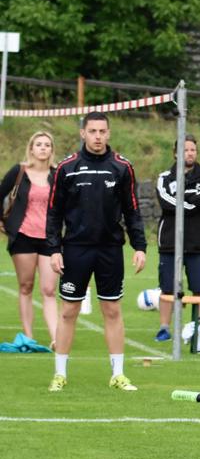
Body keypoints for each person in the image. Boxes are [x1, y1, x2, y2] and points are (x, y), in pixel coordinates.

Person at [46, 111, 147, 392]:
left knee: (112, 309)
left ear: (109, 134)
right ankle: (60, 374)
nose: (98, 137)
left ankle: (118, 374)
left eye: (102, 131)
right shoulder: (67, 168)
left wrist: (139, 246)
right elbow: (53, 213)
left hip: (110, 250)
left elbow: (133, 211)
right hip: (75, 249)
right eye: (92, 131)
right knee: (69, 311)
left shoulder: (122, 167)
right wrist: (54, 249)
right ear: (83, 133)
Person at [154, 134, 200, 343]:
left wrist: (182, 200)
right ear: (175, 153)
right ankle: (164, 328)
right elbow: (165, 201)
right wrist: (190, 203)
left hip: (197, 241)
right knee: (167, 288)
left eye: (192, 150)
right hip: (170, 241)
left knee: (199, 287)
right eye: (185, 150)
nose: (189, 153)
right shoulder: (165, 177)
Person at [1, 131, 59, 346]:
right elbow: (1, 193)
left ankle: (56, 337)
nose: (43, 148)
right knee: (26, 286)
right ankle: (29, 336)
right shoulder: (19, 171)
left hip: (50, 238)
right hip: (23, 236)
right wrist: (2, 221)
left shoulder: (57, 174)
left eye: (47, 145)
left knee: (49, 290)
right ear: (31, 148)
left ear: (52, 150)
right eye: (39, 144)